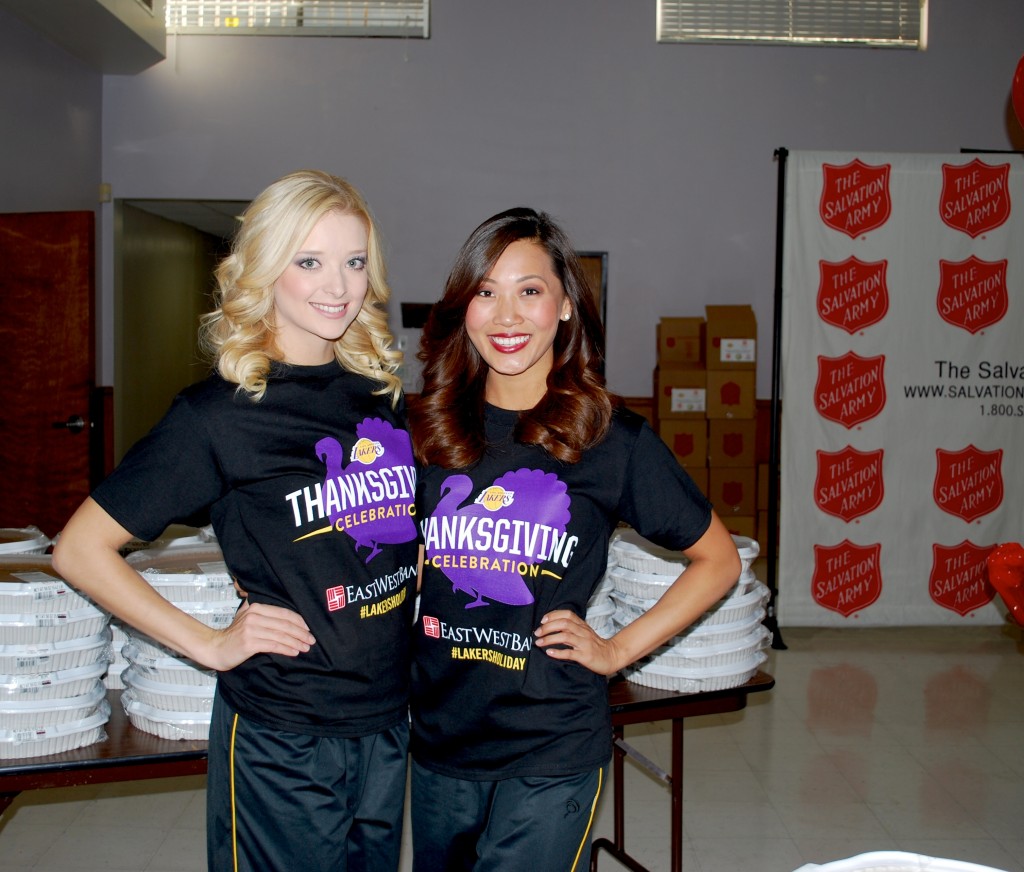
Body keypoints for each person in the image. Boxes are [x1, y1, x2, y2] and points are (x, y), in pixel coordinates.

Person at [52, 170, 419, 872]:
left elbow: (391, 535)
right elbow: (80, 548)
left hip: (383, 716)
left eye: (354, 261)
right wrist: (209, 644)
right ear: (265, 269)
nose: (338, 285)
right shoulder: (216, 416)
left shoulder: (379, 394)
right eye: (309, 261)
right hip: (285, 729)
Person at [406, 207, 742, 871]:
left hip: (551, 739)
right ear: (462, 306)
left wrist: (618, 650)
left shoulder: (610, 439)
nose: (506, 317)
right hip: (442, 736)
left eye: (530, 291)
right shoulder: (425, 427)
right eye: (486, 292)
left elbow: (719, 560)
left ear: (564, 307)